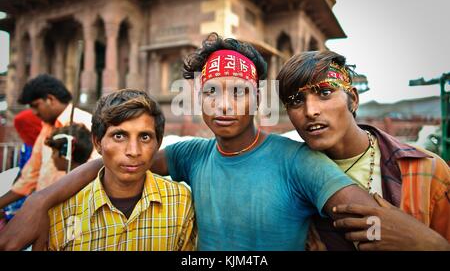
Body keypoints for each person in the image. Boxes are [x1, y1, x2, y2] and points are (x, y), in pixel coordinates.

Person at [0, 33, 378, 251]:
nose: (225, 104)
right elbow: (122, 160)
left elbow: (374, 220)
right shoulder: (192, 155)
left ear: (258, 99)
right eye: (212, 91)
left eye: (240, 92)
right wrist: (40, 200)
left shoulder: (296, 160)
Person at [277, 50, 450, 250]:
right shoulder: (286, 176)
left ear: (353, 99)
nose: (311, 111)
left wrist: (426, 242)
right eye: (296, 101)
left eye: (324, 93)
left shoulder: (426, 170)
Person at [46, 89, 196, 251]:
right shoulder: (62, 212)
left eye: (144, 137)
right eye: (119, 136)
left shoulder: (180, 202)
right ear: (97, 143)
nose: (133, 151)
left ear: (158, 144)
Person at [0, 74, 98, 212]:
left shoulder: (85, 123)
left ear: (50, 99)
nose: (34, 112)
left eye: (36, 106)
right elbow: (30, 175)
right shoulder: (46, 128)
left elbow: (93, 172)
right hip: (45, 210)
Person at [2, 109, 42, 221]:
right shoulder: (27, 145)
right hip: (22, 189)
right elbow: (22, 170)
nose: (21, 133)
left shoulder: (44, 147)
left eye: (24, 128)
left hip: (32, 194)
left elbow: (30, 178)